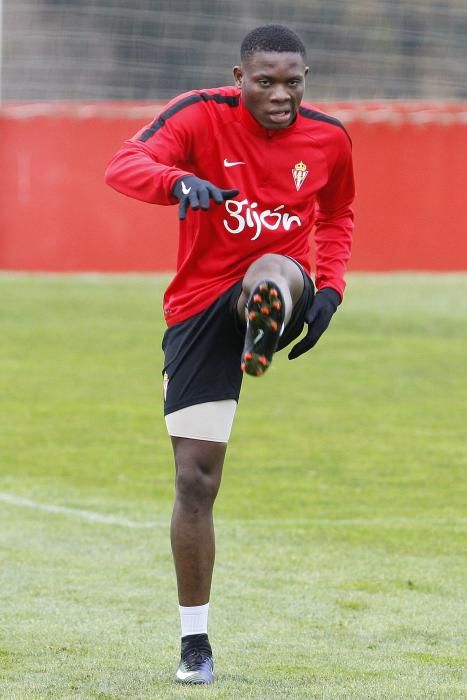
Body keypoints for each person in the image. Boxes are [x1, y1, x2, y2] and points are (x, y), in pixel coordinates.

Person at [105, 24, 355, 685]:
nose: (281, 93)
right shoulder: (198, 115)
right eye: (266, 81)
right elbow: (122, 165)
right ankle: (195, 644)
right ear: (238, 76)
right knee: (195, 481)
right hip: (196, 306)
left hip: (279, 275)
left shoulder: (328, 137)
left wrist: (328, 289)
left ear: (306, 78)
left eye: (293, 81)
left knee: (271, 269)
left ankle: (263, 323)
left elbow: (337, 214)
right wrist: (175, 184)